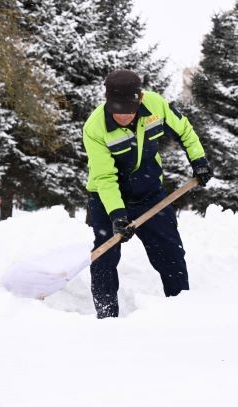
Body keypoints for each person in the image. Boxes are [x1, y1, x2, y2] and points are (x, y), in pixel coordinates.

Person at [82, 69, 213, 318]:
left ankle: (180, 308)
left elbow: (184, 130)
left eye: (128, 111)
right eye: (116, 111)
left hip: (151, 193)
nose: (122, 117)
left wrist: (199, 159)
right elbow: (105, 178)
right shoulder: (95, 127)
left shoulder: (156, 104)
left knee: (171, 253)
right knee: (105, 257)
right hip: (106, 198)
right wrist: (118, 215)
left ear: (139, 99)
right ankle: (106, 318)